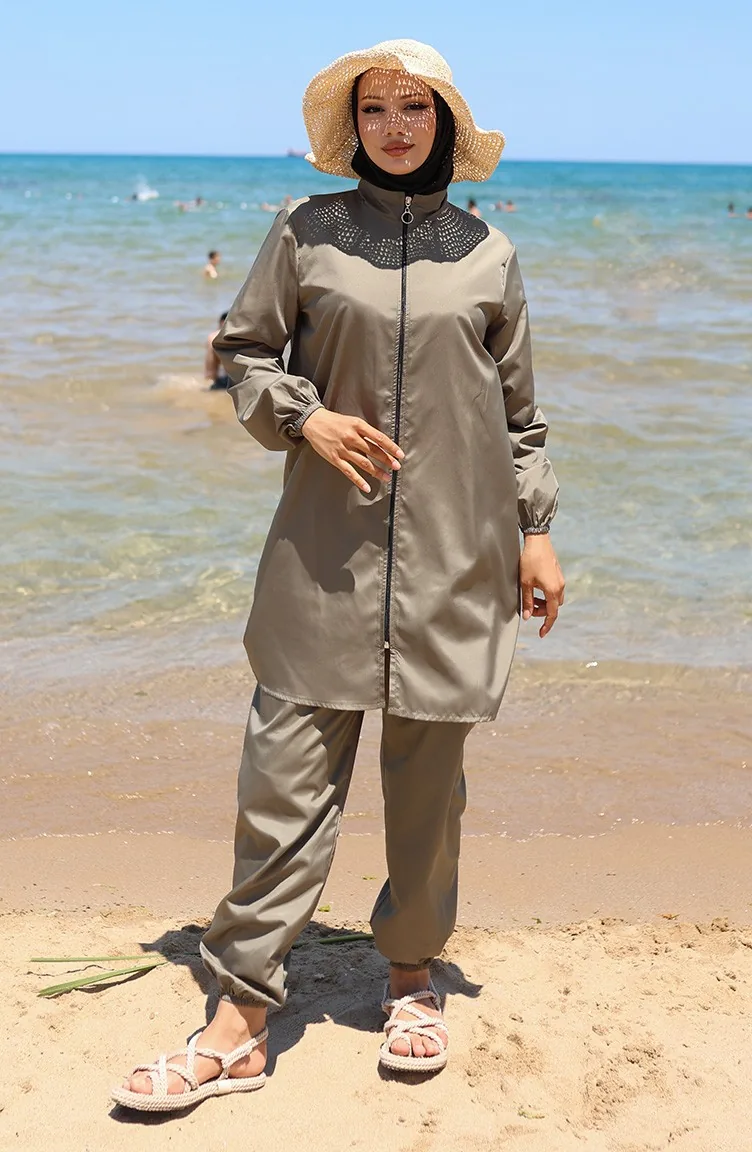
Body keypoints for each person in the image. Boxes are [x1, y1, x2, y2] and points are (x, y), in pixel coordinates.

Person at [112, 38, 564, 1112]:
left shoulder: (488, 252)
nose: (394, 127)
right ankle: (237, 1018)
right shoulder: (303, 230)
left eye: (414, 108)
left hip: (458, 558)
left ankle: (409, 979)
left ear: (443, 122)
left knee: (427, 797)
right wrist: (305, 418)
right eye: (374, 110)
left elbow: (518, 417)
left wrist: (536, 532)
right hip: (324, 558)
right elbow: (243, 354)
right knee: (282, 785)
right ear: (351, 125)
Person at [204, 312, 231, 389]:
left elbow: (210, 368)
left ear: (222, 322)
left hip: (222, 381)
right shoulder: (241, 335)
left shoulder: (213, 336)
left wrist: (211, 379)